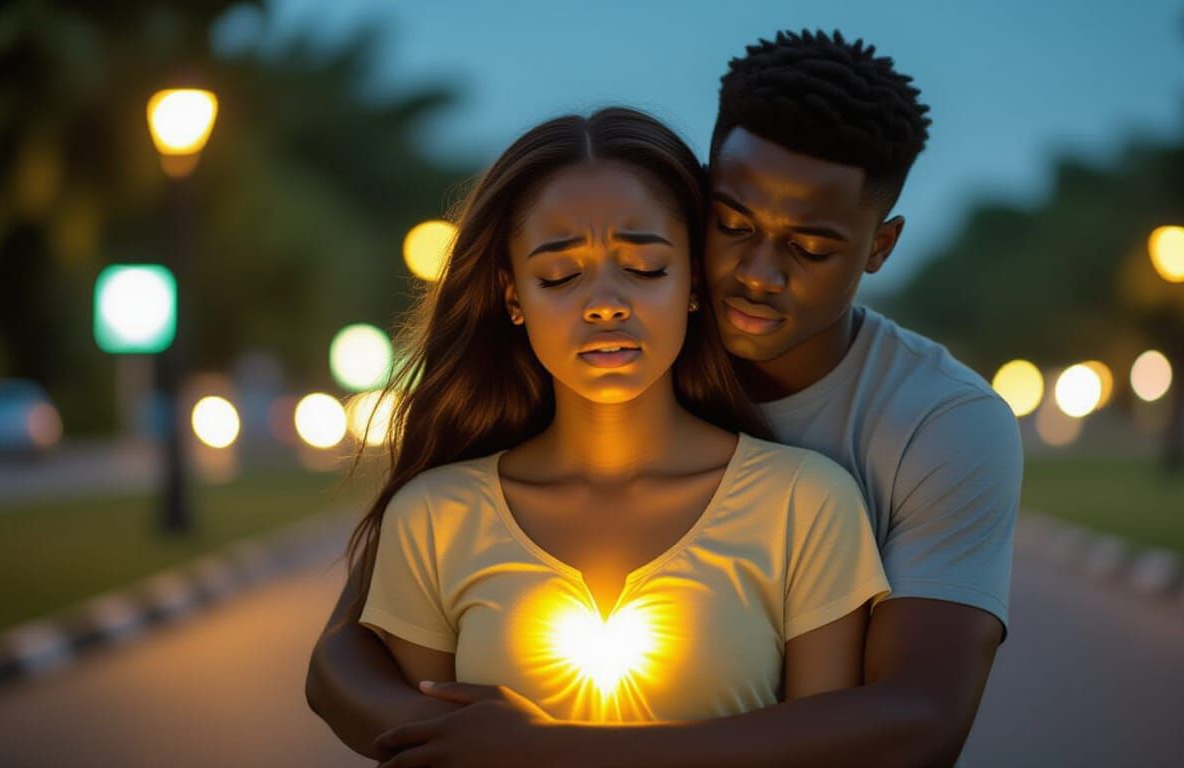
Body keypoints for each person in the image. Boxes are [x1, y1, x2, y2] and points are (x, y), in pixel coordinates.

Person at [308, 30, 1021, 767]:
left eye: (809, 249)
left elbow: (919, 720)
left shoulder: (933, 429)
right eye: (734, 226)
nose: (757, 275)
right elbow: (346, 653)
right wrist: (454, 741)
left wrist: (557, 754)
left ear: (880, 245)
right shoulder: (598, 349)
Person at [338, 105, 890, 739]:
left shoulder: (806, 503)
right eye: (560, 275)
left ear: (692, 281)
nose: (604, 304)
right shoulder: (434, 517)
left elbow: (823, 755)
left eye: (645, 268)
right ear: (512, 294)